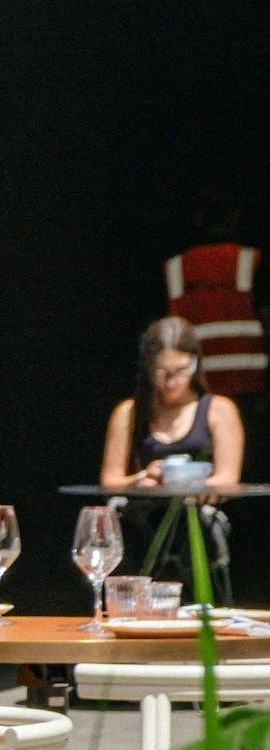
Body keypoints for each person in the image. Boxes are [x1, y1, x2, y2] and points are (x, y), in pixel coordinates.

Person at [101, 315, 246, 592]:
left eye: (181, 370)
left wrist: (183, 483)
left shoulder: (219, 410)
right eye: (161, 372)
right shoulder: (129, 413)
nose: (171, 382)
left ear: (195, 364)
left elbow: (228, 480)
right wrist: (143, 477)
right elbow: (109, 481)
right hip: (141, 519)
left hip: (197, 519)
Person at [165, 191, 264, 407]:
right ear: (236, 216)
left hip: (194, 394)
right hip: (249, 391)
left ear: (198, 219)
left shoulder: (174, 270)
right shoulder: (253, 262)